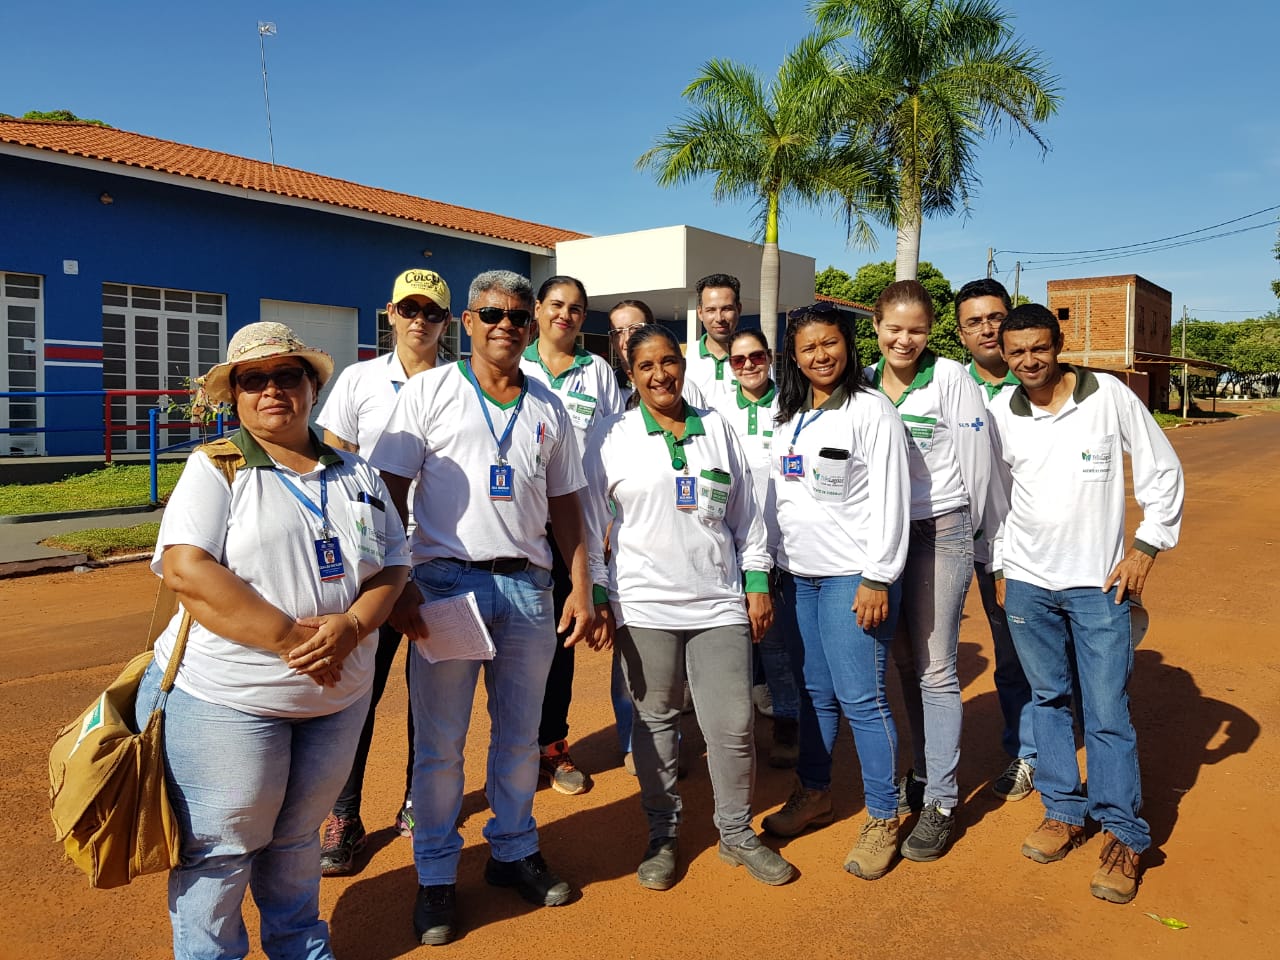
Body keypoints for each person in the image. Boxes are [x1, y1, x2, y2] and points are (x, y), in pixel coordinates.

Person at [136, 321, 410, 960]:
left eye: (287, 375)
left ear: (312, 386)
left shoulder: (357, 472)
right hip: (230, 700)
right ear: (233, 395)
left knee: (297, 839)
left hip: (335, 700)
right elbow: (186, 570)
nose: (271, 390)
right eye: (252, 380)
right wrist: (292, 640)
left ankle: (300, 947)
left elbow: (392, 564)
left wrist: (352, 626)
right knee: (221, 850)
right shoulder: (216, 467)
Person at [370, 270, 601, 946]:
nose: (506, 325)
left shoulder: (549, 406)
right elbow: (386, 491)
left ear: (532, 327)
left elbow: (566, 503)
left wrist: (581, 584)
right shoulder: (429, 392)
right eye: (492, 314)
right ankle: (436, 873)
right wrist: (400, 581)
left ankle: (513, 850)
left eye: (518, 316)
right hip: (445, 585)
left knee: (521, 738)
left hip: (529, 588)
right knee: (440, 745)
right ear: (467, 322)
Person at [584, 324, 795, 891]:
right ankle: (663, 834)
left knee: (733, 723)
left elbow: (747, 515)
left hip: (718, 599)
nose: (660, 375)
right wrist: (599, 593)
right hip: (643, 602)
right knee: (655, 722)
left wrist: (756, 580)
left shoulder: (717, 428)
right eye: (646, 366)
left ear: (683, 365)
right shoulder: (612, 435)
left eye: (669, 362)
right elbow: (589, 522)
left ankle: (736, 833)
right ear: (631, 374)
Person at [988, 304, 1184, 904]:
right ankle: (1062, 810)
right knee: (1046, 699)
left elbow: (1161, 469)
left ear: (1059, 343)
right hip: (1027, 582)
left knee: (1106, 709)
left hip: (1099, 585)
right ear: (1004, 354)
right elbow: (995, 497)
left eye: (1038, 348)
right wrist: (1000, 564)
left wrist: (1146, 547)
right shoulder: (1001, 412)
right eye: (1016, 352)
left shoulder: (1108, 397)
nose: (1029, 361)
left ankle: (1124, 832)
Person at [760, 302, 911, 881]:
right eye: (808, 348)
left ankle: (883, 817)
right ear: (793, 357)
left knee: (862, 699)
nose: (821, 355)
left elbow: (892, 500)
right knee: (814, 694)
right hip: (799, 576)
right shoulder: (789, 414)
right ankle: (815, 792)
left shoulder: (871, 411)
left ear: (847, 345)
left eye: (830, 343)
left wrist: (878, 576)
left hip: (854, 576)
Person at [314, 267, 451, 875]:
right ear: (390, 313)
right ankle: (343, 812)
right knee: (358, 693)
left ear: (447, 322)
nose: (420, 320)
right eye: (409, 309)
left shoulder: (459, 384)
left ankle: (420, 800)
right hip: (371, 566)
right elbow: (333, 464)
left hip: (439, 561)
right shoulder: (360, 380)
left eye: (432, 311)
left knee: (433, 693)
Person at [866, 280, 993, 862]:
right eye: (894, 328)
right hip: (883, 538)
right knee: (904, 665)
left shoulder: (950, 378)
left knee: (937, 668)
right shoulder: (864, 382)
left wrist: (973, 532)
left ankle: (942, 800)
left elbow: (977, 464)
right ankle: (921, 770)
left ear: (930, 331)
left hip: (940, 529)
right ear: (876, 326)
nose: (905, 340)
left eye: (916, 330)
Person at [520, 275, 630, 794]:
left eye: (576, 309)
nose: (565, 315)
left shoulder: (597, 371)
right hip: (519, 527)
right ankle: (514, 748)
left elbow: (613, 446)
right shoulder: (516, 365)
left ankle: (553, 745)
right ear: (538, 309)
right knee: (513, 643)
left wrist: (608, 520)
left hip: (575, 528)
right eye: (557, 305)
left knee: (561, 640)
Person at [954, 278, 1037, 802]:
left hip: (1022, 547)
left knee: (1018, 653)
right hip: (953, 543)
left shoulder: (1035, 381)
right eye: (974, 322)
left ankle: (1028, 751)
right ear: (961, 333)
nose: (986, 328)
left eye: (994, 317)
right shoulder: (949, 384)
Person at [713, 328, 801, 768]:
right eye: (738, 359)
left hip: (781, 546)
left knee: (776, 644)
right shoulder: (717, 411)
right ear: (730, 366)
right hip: (731, 543)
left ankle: (788, 721)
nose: (748, 365)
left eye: (756, 356)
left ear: (770, 357)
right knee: (733, 645)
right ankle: (735, 733)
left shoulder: (792, 405)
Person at [609, 299, 706, 407]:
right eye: (618, 332)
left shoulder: (681, 387)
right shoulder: (606, 385)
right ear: (612, 341)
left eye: (635, 328)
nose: (627, 338)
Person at [682, 273, 742, 403]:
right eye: (711, 310)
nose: (719, 318)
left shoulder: (755, 360)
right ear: (700, 313)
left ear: (739, 309)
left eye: (726, 309)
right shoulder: (684, 357)